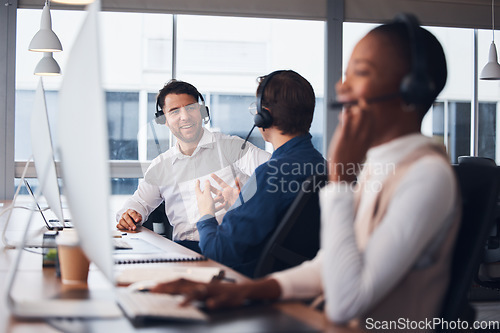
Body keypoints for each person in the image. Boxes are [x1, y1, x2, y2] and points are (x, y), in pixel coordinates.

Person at [151, 14, 460, 328]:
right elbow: (327, 265)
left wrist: (339, 184)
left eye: (361, 72)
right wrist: (249, 291)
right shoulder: (381, 167)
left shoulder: (426, 175)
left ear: (411, 89)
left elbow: (347, 303)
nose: (342, 86)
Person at [193, 70, 326, 277]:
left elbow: (219, 252)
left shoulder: (270, 174)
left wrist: (206, 214)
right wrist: (243, 203)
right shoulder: (323, 167)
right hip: (304, 282)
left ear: (264, 116)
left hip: (257, 288)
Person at [116, 80, 271, 252]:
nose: (185, 116)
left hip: (229, 249)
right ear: (163, 120)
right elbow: (139, 202)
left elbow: (279, 175)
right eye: (174, 111)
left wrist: (246, 201)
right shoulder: (161, 166)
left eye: (191, 108)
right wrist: (129, 214)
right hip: (181, 252)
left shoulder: (231, 147)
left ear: (202, 112)